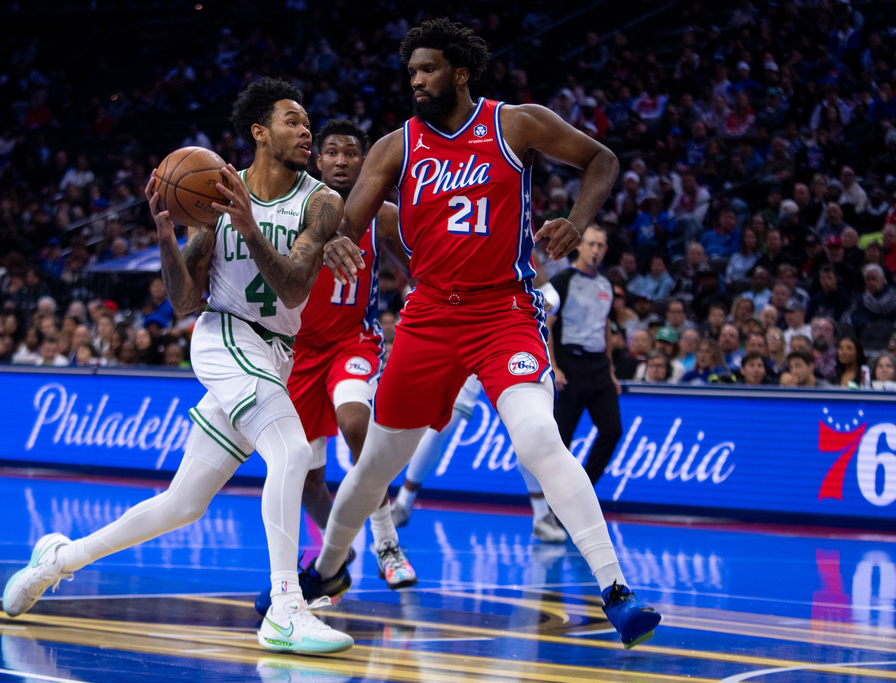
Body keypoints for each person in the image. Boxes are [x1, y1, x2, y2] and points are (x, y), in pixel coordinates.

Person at [316, 19, 660, 649]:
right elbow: (349, 216)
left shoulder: (515, 123)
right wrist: (331, 237)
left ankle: (616, 590)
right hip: (426, 318)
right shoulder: (395, 147)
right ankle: (328, 568)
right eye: (411, 71)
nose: (416, 80)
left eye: (427, 69)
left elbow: (601, 161)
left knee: (538, 437)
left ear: (461, 71)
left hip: (504, 313)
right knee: (375, 465)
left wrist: (576, 220)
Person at [2, 78, 353, 654]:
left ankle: (57, 560)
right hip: (225, 337)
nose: (306, 131)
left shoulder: (320, 202)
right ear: (259, 132)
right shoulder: (216, 192)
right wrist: (168, 235)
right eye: (292, 121)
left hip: (274, 353)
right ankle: (286, 607)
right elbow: (185, 300)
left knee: (183, 505)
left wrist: (246, 227)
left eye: (307, 122)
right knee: (289, 451)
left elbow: (293, 290)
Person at [283, 119, 418, 594]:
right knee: (306, 477)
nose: (341, 161)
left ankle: (387, 544)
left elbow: (418, 265)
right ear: (317, 160)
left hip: (352, 341)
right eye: (332, 153)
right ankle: (340, 550)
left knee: (356, 424)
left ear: (365, 162)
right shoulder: (294, 208)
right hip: (298, 351)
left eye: (351, 153)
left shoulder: (380, 213)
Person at [391, 375, 570, 544]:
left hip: (507, 352)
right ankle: (402, 505)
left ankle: (542, 517)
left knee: (527, 429)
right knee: (438, 428)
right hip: (465, 349)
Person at [548, 225, 623, 486]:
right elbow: (546, 325)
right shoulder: (563, 281)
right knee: (562, 437)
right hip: (570, 363)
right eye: (591, 244)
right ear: (579, 245)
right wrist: (554, 367)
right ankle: (555, 501)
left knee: (612, 430)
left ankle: (584, 488)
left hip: (599, 366)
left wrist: (611, 371)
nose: (595, 250)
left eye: (600, 246)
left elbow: (605, 327)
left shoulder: (606, 285)